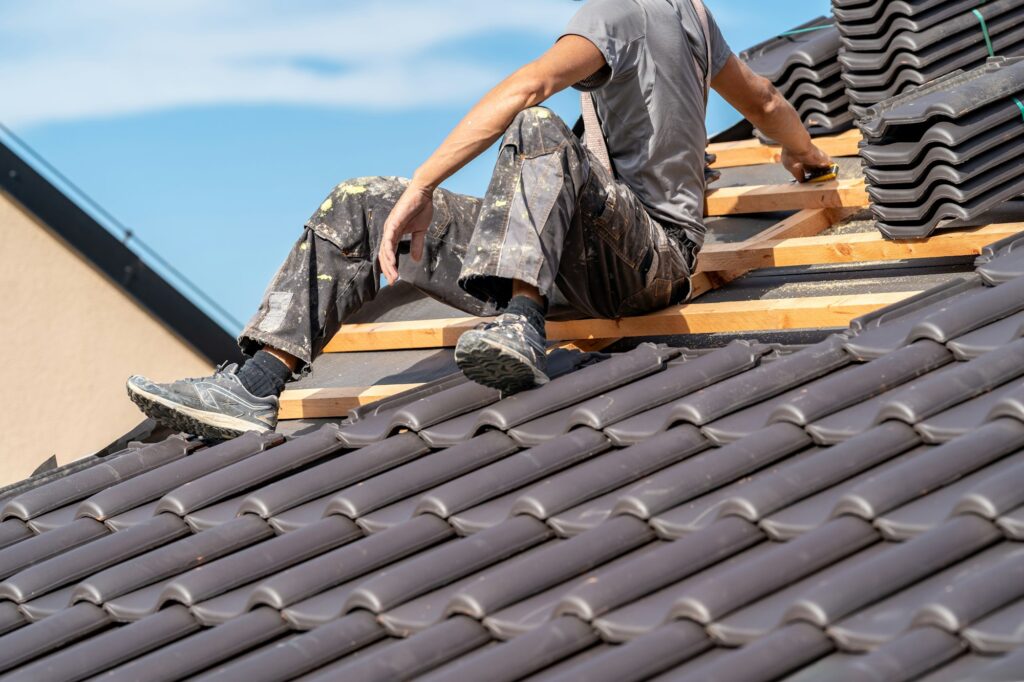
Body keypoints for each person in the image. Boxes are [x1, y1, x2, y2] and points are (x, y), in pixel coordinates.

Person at [127, 0, 834, 440]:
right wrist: (806, 162)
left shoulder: (614, 11)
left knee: (536, 127)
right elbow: (766, 102)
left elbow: (530, 85)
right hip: (585, 258)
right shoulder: (696, 16)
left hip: (651, 264)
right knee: (361, 202)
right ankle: (253, 384)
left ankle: (518, 321)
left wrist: (428, 184)